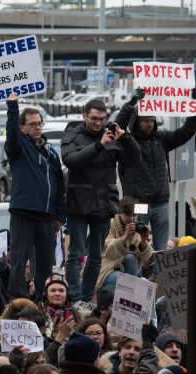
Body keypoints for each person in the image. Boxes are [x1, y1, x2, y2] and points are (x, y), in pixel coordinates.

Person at [62, 99, 142, 303]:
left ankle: (87, 297)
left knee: (96, 255)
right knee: (76, 254)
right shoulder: (73, 134)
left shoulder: (111, 134)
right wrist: (99, 145)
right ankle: (76, 297)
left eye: (101, 119)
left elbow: (134, 160)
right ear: (85, 116)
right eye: (94, 119)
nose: (98, 123)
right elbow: (71, 160)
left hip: (103, 203)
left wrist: (126, 139)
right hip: (78, 203)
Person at [115, 88, 196, 251]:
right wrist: (132, 103)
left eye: (153, 120)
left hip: (161, 202)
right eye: (146, 120)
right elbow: (117, 125)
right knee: (136, 246)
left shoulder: (161, 139)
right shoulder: (126, 140)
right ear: (137, 122)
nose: (150, 124)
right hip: (138, 203)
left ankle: (160, 277)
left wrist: (193, 105)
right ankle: (138, 276)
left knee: (162, 250)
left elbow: (186, 131)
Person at [4, 93, 66, 301]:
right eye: (32, 124)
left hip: (47, 216)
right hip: (24, 211)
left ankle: (41, 297)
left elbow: (59, 184)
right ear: (22, 127)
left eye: (39, 123)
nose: (37, 127)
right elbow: (11, 134)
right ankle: (17, 298)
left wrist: (60, 214)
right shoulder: (18, 148)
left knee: (45, 262)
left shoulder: (51, 152)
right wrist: (13, 105)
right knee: (19, 260)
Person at [58, 329, 159, 374]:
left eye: (137, 349)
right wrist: (148, 349)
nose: (132, 352)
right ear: (92, 361)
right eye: (97, 356)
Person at [95, 196, 152, 294]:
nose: (131, 218)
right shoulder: (109, 224)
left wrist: (143, 240)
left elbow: (146, 256)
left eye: (134, 215)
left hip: (131, 271)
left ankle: (131, 292)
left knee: (131, 260)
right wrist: (125, 237)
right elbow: (108, 252)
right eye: (128, 214)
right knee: (136, 285)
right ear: (119, 212)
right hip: (108, 269)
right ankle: (131, 293)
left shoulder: (137, 226)